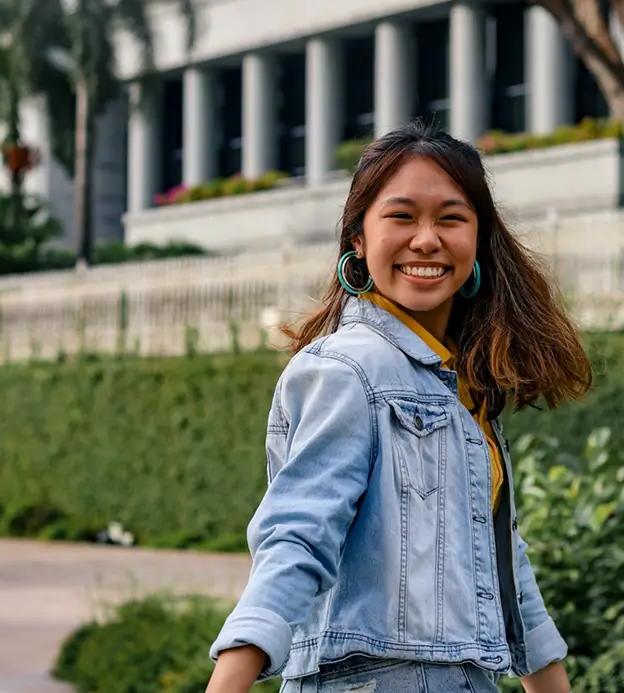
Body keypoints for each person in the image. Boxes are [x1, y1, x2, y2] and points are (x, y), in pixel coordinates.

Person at [205, 121, 592, 693]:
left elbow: (508, 577)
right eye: (402, 216)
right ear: (358, 239)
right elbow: (296, 539)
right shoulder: (346, 369)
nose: (427, 239)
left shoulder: (461, 390)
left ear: (479, 239)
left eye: (451, 218)